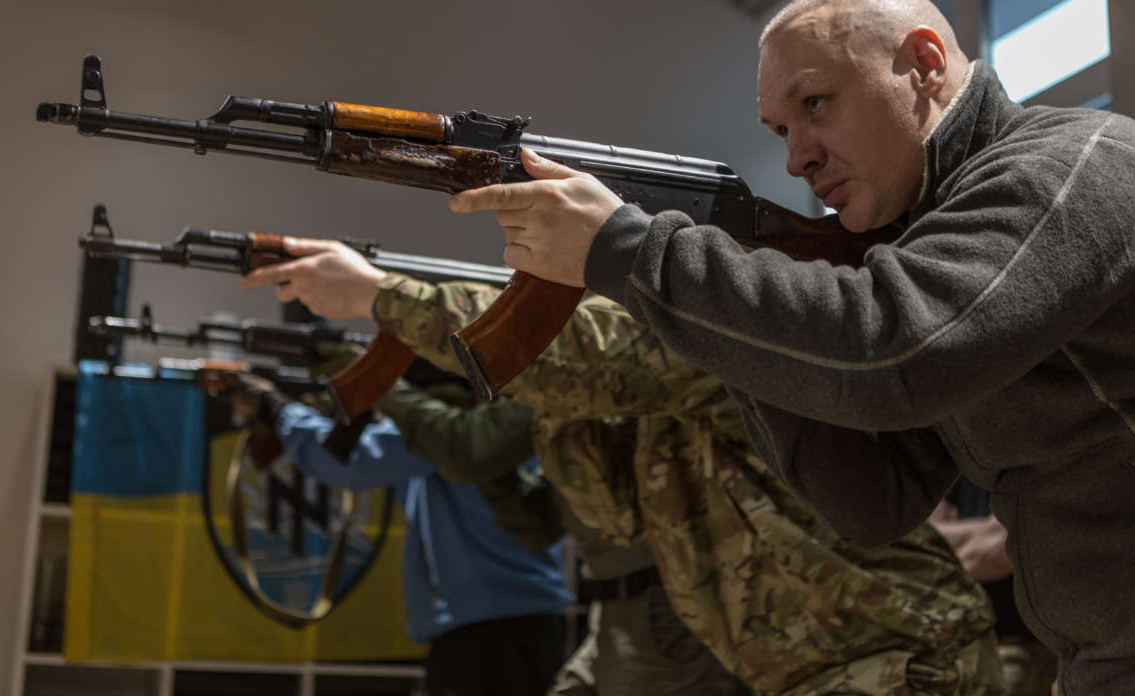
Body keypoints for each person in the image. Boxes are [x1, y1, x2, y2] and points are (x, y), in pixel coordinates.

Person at [427, 0, 1135, 695]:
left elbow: (893, 351)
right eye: (781, 130)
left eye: (815, 103)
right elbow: (871, 501)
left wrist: (628, 251)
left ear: (924, 64)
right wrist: (740, 312)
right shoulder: (923, 242)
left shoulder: (1075, 163)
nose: (798, 155)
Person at [239, 258, 1006, 695]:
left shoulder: (705, 340)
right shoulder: (611, 399)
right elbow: (579, 511)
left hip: (886, 653)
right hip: (731, 640)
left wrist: (378, 298)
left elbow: (549, 380)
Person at [371, 377, 752, 695]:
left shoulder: (585, 357)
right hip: (621, 608)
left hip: (667, 608)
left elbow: (468, 448)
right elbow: (538, 526)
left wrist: (380, 383)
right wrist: (491, 464)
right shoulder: (568, 381)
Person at [228, 366, 572, 696]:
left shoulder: (447, 428)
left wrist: (275, 407)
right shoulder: (493, 415)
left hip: (493, 634)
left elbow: (345, 462)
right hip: (505, 624)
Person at [928, 480, 1057, 696]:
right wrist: (983, 532)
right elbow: (923, 534)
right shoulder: (960, 468)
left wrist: (940, 559)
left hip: (1026, 648)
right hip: (961, 647)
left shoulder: (1034, 468)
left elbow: (1003, 548)